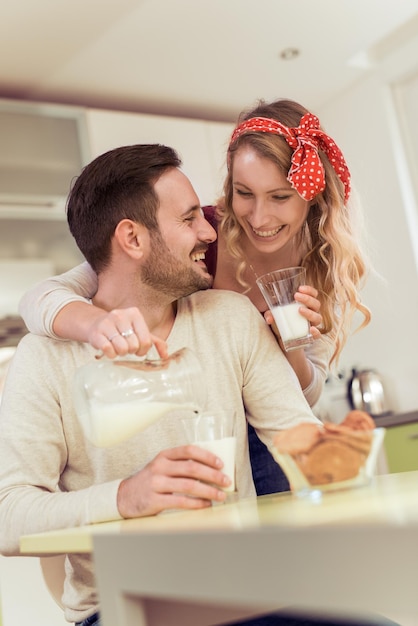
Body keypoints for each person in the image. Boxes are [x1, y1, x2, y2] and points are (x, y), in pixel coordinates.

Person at [0, 143, 322, 626]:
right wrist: (127, 497)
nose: (208, 232)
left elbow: (305, 445)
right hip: (129, 605)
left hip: (248, 594)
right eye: (190, 218)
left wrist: (340, 451)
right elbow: (8, 516)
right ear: (132, 238)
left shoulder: (230, 319)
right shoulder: (44, 358)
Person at [18, 98, 371, 496]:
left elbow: (303, 400)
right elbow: (53, 293)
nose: (259, 218)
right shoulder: (199, 234)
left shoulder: (324, 267)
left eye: (280, 197)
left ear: (310, 196)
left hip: (268, 425)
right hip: (209, 416)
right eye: (244, 193)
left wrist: (294, 345)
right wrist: (97, 326)